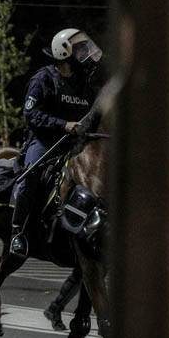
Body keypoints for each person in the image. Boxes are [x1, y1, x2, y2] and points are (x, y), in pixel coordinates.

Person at [9, 28, 102, 258]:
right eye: (80, 50)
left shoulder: (84, 85)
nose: (85, 55)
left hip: (76, 144)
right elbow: (31, 114)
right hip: (45, 143)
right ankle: (18, 232)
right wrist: (63, 124)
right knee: (30, 175)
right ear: (64, 53)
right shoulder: (43, 79)